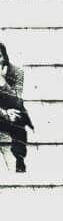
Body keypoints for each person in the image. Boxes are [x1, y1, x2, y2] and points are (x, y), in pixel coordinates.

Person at [0, 40, 31, 172]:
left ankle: (19, 159)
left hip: (12, 113)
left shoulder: (17, 72)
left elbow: (17, 101)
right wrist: (4, 114)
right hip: (2, 113)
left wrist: (2, 81)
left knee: (19, 117)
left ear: (5, 57)